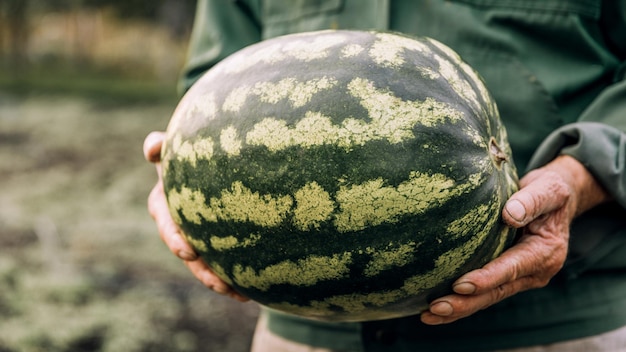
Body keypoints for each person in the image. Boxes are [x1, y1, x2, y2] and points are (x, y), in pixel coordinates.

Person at [143, 1, 626, 351]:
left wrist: (583, 174)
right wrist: (183, 167)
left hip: (555, 325)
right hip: (306, 337)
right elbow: (214, 85)